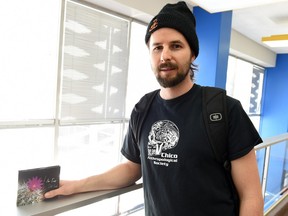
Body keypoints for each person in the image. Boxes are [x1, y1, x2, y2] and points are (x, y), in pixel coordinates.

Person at [45, 1, 264, 215]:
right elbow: (132, 168)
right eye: (157, 47)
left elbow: (251, 195)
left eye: (176, 46)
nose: (165, 55)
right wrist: (76, 186)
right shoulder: (143, 108)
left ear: (193, 53)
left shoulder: (225, 109)